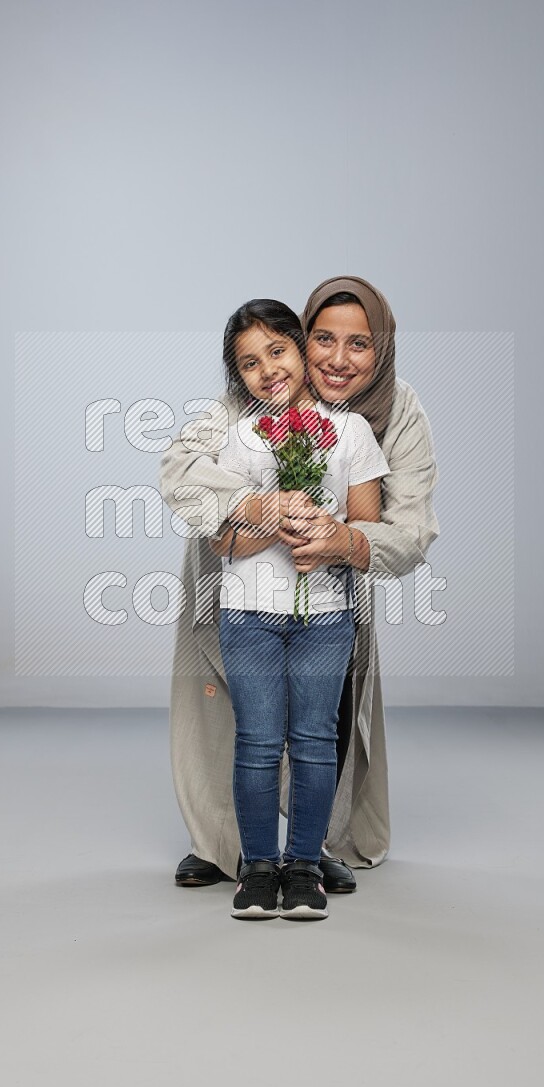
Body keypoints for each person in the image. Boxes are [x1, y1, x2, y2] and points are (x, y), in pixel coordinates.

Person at [159, 275, 439, 891]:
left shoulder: (396, 412)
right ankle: (222, 843)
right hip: (235, 573)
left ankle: (317, 845)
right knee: (228, 712)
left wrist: (344, 540)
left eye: (359, 344)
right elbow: (182, 469)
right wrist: (263, 507)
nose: (338, 360)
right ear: (301, 339)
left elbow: (411, 527)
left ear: (382, 349)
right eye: (323, 340)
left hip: (331, 579)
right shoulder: (255, 397)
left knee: (325, 716)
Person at [208, 300, 390, 920]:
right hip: (249, 612)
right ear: (241, 378)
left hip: (326, 613)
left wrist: (325, 525)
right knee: (258, 741)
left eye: (277, 351)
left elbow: (365, 528)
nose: (267, 371)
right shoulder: (239, 438)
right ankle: (259, 867)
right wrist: (271, 513)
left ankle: (305, 867)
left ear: (302, 351)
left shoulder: (352, 433)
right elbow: (223, 540)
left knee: (314, 740)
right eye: (249, 365)